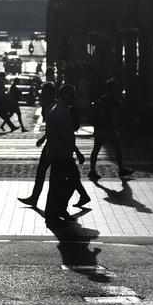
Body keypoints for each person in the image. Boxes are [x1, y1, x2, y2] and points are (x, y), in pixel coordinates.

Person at [42, 84, 89, 221]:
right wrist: (77, 152)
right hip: (62, 153)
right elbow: (65, 135)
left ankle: (54, 210)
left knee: (57, 182)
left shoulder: (56, 110)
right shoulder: (62, 112)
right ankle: (58, 208)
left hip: (58, 152)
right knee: (71, 180)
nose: (73, 98)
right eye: (71, 95)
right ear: (65, 95)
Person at [89, 78, 132, 181]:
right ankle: (120, 169)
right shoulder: (112, 100)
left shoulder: (102, 99)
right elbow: (117, 113)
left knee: (98, 149)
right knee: (115, 149)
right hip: (108, 128)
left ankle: (92, 170)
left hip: (102, 129)